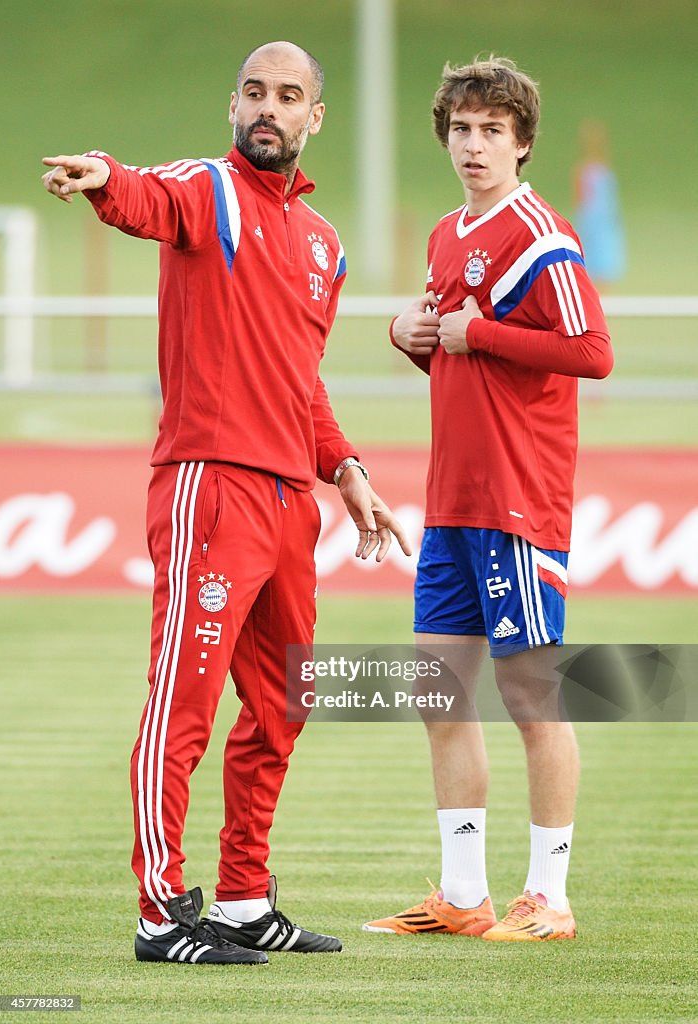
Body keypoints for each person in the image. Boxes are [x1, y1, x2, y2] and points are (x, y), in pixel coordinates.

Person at [42, 40, 410, 966]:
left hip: (293, 500)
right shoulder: (208, 190)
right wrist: (102, 179)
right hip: (214, 485)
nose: (268, 109)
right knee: (186, 705)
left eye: (289, 97)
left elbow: (302, 381)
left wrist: (348, 469)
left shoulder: (324, 245)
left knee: (284, 704)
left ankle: (245, 898)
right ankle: (160, 912)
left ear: (315, 116)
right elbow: (145, 195)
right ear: (232, 103)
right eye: (254, 92)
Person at [363, 56, 612, 941]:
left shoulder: (542, 235)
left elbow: (590, 352)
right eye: (461, 130)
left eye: (492, 132)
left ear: (522, 143)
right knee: (443, 693)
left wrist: (481, 332)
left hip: (517, 496)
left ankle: (549, 896)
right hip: (453, 499)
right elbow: (465, 358)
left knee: (530, 695)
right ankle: (462, 895)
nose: (474, 146)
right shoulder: (445, 232)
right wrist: (413, 336)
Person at [573, 118, 626, 288]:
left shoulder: (602, 171)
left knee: (603, 274)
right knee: (594, 273)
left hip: (604, 227)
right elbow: (582, 201)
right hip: (592, 228)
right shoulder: (585, 173)